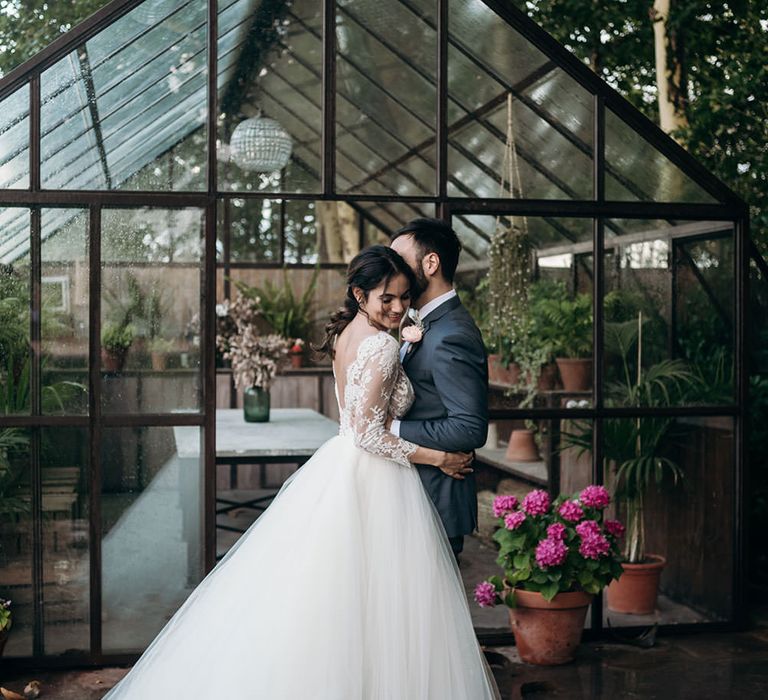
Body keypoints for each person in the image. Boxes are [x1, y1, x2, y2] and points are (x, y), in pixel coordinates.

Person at [103, 245, 499, 699]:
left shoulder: (348, 334)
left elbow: (355, 424)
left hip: (341, 467)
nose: (397, 307)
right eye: (386, 298)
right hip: (376, 474)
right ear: (360, 294)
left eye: (404, 298)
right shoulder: (383, 348)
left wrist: (403, 334)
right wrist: (438, 458)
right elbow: (369, 434)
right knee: (382, 598)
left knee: (332, 596)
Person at [390, 218, 489, 560]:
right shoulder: (426, 323)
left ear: (430, 263)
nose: (392, 271)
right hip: (413, 495)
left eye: (399, 261)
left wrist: (389, 429)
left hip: (436, 500)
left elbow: (469, 428)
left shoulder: (452, 334)